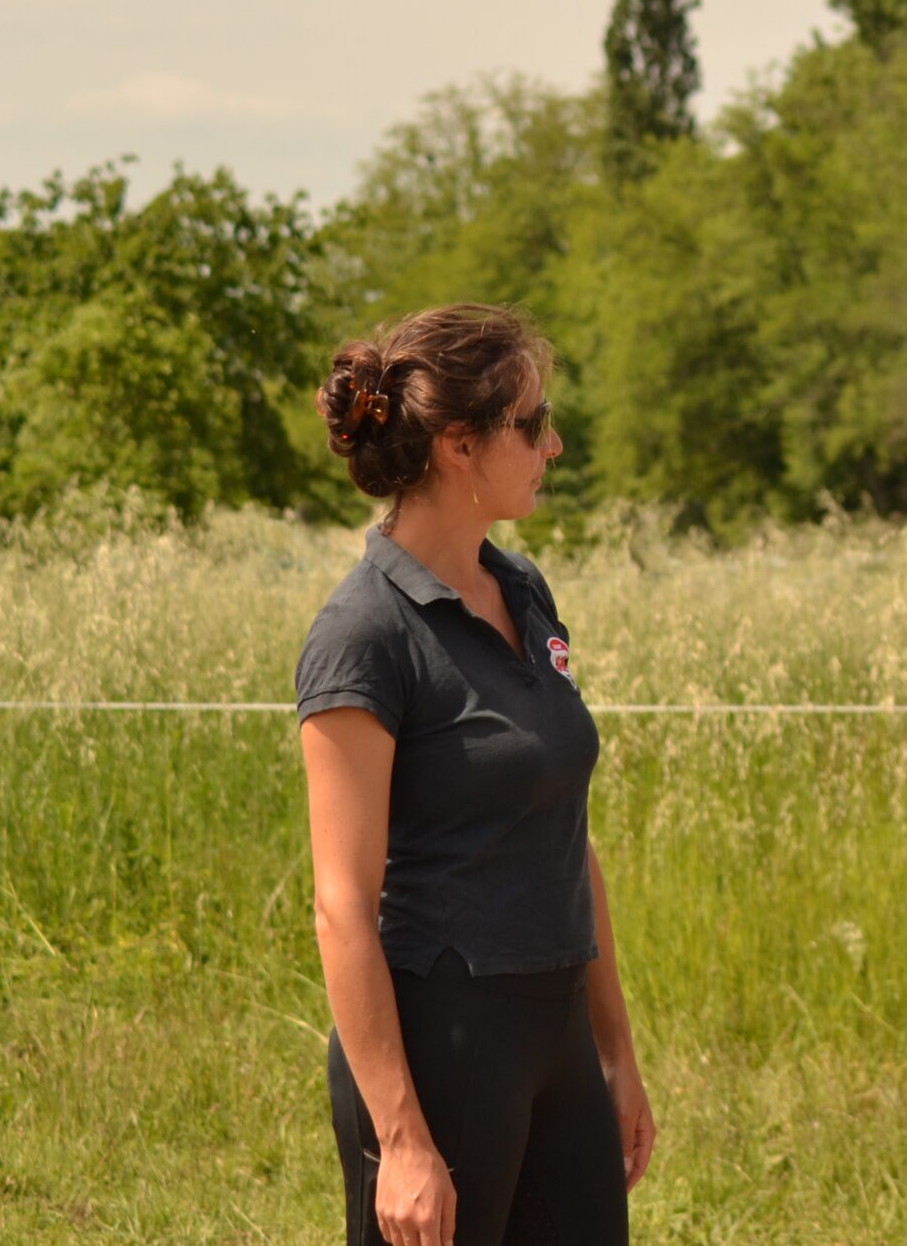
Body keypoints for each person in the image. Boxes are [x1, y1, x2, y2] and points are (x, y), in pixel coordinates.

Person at [297, 304, 653, 1246]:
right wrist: (404, 1140)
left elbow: (565, 835)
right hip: (442, 1046)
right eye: (531, 424)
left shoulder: (524, 589)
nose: (555, 443)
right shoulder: (363, 635)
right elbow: (341, 906)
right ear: (459, 445)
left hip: (555, 1034)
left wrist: (613, 1052)